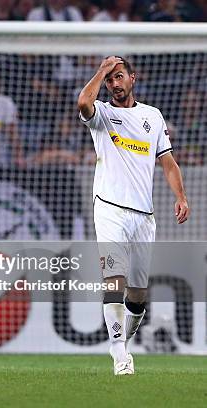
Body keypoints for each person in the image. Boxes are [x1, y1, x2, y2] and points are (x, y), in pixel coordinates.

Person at [77, 56, 189, 375]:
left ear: (132, 78)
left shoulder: (152, 116)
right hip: (109, 207)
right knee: (114, 281)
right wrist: (100, 70)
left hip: (144, 216)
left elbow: (167, 162)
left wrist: (180, 197)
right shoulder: (103, 115)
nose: (114, 83)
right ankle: (119, 354)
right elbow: (84, 102)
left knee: (138, 296)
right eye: (110, 79)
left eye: (119, 77)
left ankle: (121, 340)